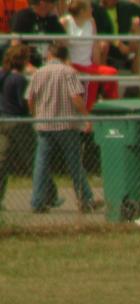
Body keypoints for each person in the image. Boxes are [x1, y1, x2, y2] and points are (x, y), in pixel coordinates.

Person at [27, 43, 100, 214]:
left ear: (49, 55)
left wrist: (35, 114)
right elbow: (76, 97)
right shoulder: (69, 73)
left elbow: (30, 98)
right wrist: (86, 117)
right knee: (74, 164)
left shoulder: (39, 73)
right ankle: (85, 199)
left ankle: (37, 201)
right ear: (65, 56)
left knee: (41, 164)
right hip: (66, 124)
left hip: (44, 124)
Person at [62, 0, 120, 111]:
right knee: (91, 78)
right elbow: (63, 49)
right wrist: (69, 68)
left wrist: (97, 66)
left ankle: (113, 108)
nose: (92, 10)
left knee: (112, 73)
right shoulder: (65, 22)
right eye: (89, 8)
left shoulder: (91, 22)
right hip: (73, 64)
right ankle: (87, 111)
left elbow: (95, 47)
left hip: (88, 65)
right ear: (82, 11)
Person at [0, 44, 33, 215]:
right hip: (17, 122)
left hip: (2, 119)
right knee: (35, 158)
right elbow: (22, 104)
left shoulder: (2, 75)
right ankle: (48, 195)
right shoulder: (19, 79)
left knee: (2, 160)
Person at [92, 0, 140, 75]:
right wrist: (118, 44)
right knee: (103, 45)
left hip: (125, 44)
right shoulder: (94, 7)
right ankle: (102, 78)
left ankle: (137, 78)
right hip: (105, 44)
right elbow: (98, 32)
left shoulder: (124, 6)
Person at [9, 0, 67, 69]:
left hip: (49, 68)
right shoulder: (22, 17)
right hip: (26, 68)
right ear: (42, 2)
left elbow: (64, 44)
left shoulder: (52, 20)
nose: (55, 5)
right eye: (53, 2)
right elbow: (15, 47)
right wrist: (28, 67)